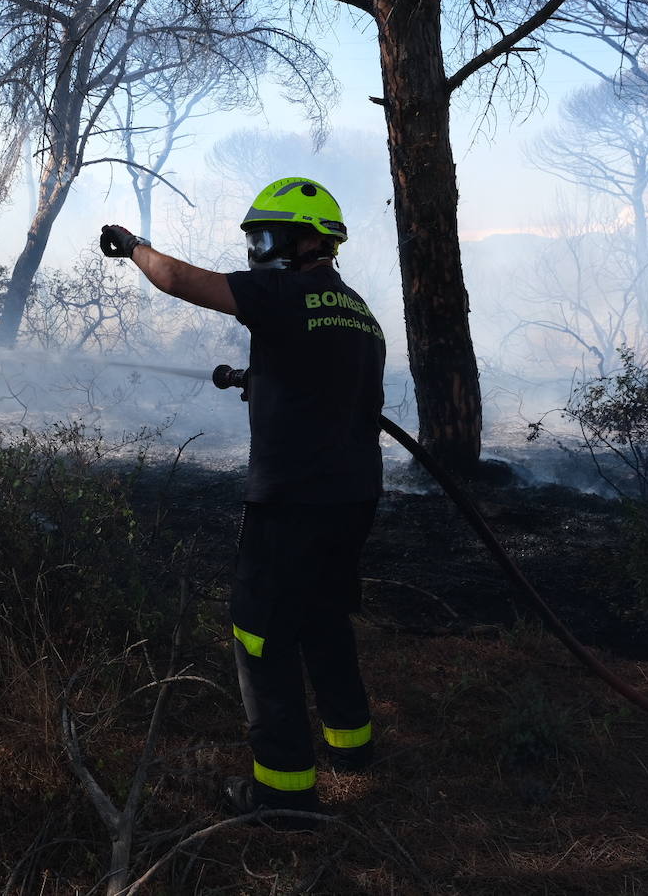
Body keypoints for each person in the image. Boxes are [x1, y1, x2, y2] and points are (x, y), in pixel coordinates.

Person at [101, 177, 386, 825]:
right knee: (324, 616)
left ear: (305, 241)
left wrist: (133, 245)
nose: (258, 251)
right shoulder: (358, 312)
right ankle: (352, 748)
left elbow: (177, 279)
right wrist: (263, 380)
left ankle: (283, 793)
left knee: (261, 633)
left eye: (266, 238)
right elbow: (331, 387)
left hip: (291, 501)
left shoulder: (283, 293)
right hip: (353, 497)